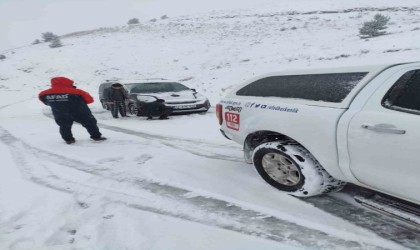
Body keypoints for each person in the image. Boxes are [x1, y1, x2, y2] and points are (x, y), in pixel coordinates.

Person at [39, 76, 107, 144]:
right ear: (68, 83)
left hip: (60, 112)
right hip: (80, 111)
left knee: (64, 126)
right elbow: (90, 100)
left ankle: (68, 139)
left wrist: (57, 102)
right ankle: (96, 136)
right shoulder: (78, 92)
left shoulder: (44, 94)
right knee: (90, 123)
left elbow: (45, 101)